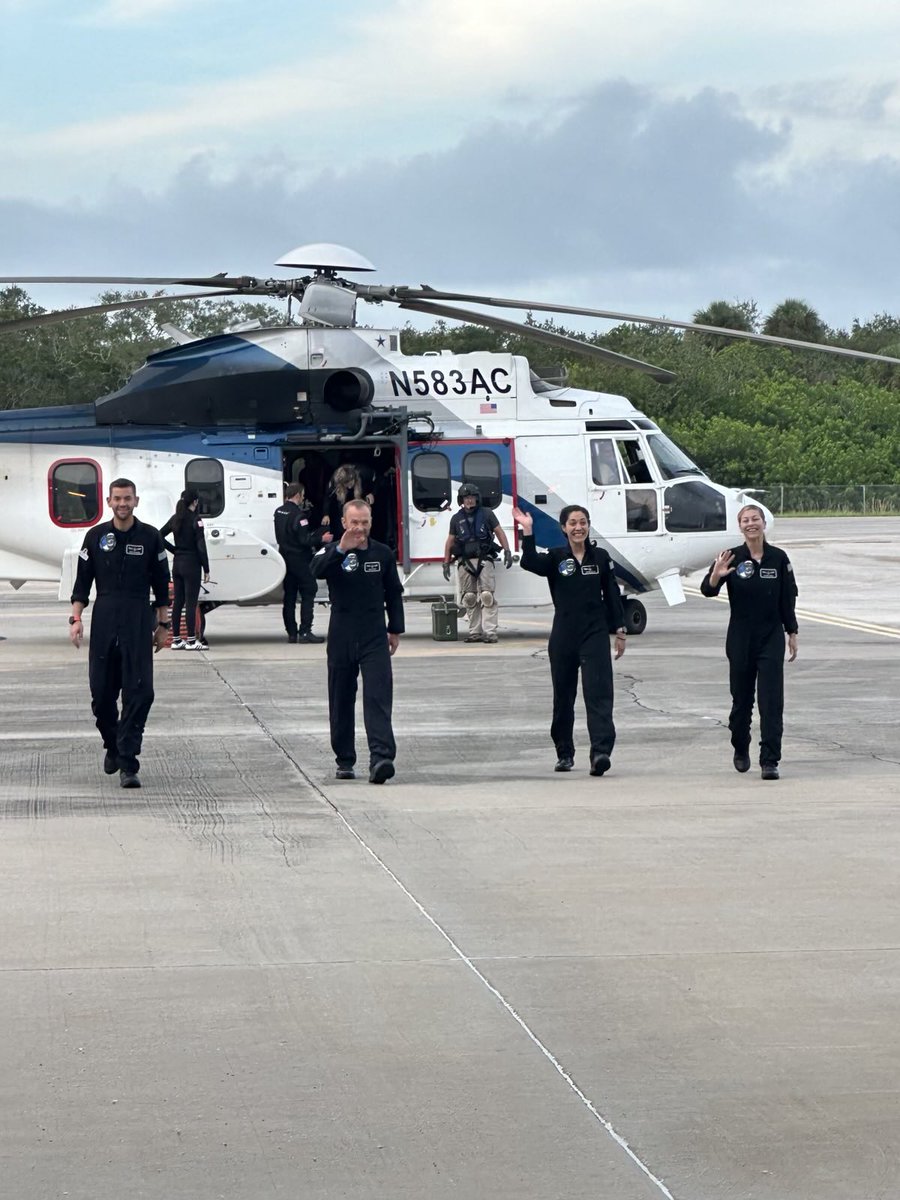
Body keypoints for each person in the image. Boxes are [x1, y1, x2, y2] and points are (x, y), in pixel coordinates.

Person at [69, 478, 171, 789]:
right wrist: (75, 618)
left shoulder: (152, 538)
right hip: (105, 617)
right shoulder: (96, 536)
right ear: (109, 502)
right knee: (101, 696)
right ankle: (113, 745)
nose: (123, 503)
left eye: (127, 498)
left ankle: (128, 762)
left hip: (138, 619)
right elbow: (82, 582)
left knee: (140, 692)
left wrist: (163, 626)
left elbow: (162, 587)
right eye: (117, 499)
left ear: (136, 501)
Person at [513, 503, 627, 776]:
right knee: (563, 698)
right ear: (564, 528)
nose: (579, 527)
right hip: (564, 635)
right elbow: (529, 562)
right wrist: (528, 532)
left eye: (583, 522)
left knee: (599, 694)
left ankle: (600, 752)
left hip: (595, 634)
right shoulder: (555, 557)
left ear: (588, 526)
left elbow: (611, 593)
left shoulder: (600, 557)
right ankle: (564, 753)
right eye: (573, 523)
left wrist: (620, 630)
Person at [700, 503, 798, 780]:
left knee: (771, 702)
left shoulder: (778, 558)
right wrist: (716, 574)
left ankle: (770, 760)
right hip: (741, 639)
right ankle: (740, 746)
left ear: (763, 524)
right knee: (741, 702)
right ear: (740, 526)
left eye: (755, 519)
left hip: (770, 638)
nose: (751, 524)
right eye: (745, 520)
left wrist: (792, 631)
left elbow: (787, 599)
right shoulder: (730, 557)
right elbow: (708, 590)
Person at [310, 500, 404, 784]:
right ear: (344, 523)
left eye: (364, 522)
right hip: (342, 632)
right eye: (354, 523)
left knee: (378, 695)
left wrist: (395, 629)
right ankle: (345, 759)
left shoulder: (383, 553)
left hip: (374, 633)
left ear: (371, 522)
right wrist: (341, 548)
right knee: (341, 697)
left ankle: (381, 758)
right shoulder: (331, 552)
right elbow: (316, 570)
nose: (360, 528)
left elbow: (394, 593)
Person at [442, 484, 512, 643]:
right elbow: (450, 541)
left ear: (477, 498)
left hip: (484, 558)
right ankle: (475, 632)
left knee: (487, 596)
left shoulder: (487, 514)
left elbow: (499, 532)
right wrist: (446, 562)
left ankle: (490, 633)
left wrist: (507, 551)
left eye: (472, 497)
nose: (469, 500)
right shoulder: (456, 518)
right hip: (464, 561)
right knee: (469, 597)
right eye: (466, 497)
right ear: (461, 500)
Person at [273, 482, 332, 643]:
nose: (303, 497)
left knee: (290, 596)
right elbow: (304, 540)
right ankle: (305, 631)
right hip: (299, 559)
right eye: (303, 494)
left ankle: (291, 633)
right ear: (298, 495)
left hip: (284, 558)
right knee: (309, 590)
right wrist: (322, 538)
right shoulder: (299, 516)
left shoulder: (278, 512)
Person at [160, 489, 210, 650]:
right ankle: (191, 640)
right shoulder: (196, 520)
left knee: (177, 603)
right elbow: (201, 547)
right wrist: (206, 568)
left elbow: (159, 536)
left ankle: (176, 640)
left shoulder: (175, 519)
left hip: (177, 563)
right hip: (192, 564)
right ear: (195, 502)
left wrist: (174, 550)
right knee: (191, 602)